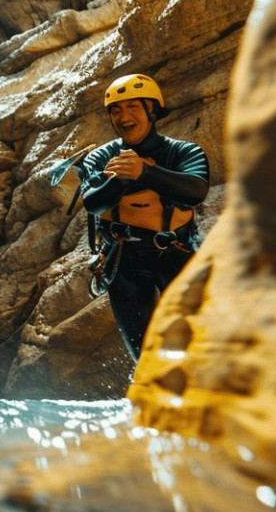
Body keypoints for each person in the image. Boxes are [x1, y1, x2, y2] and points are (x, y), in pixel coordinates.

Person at [79, 74, 209, 359]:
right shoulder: (98, 158)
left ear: (152, 110)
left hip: (176, 252)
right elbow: (93, 203)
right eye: (116, 109)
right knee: (145, 355)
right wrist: (122, 179)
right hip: (125, 261)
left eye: (133, 107)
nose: (123, 116)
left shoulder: (184, 152)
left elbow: (196, 191)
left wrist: (145, 173)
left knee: (199, 345)